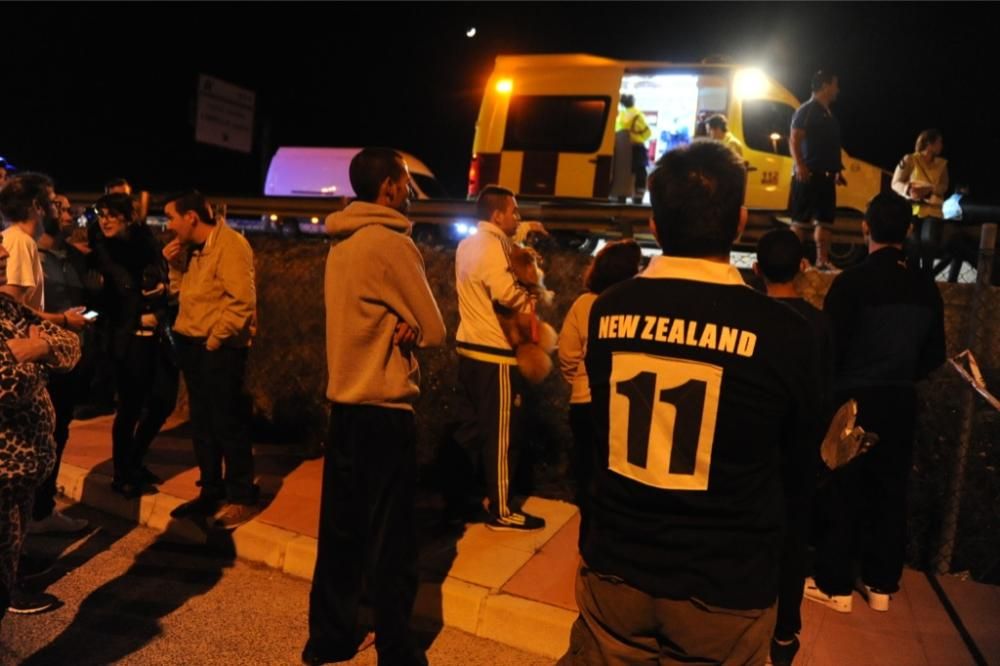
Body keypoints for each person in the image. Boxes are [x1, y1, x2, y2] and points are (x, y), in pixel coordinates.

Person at [560, 141, 818, 664]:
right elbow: (801, 463)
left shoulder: (608, 311)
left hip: (614, 567)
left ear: (655, 225)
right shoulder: (785, 331)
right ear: (741, 221)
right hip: (723, 589)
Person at [303, 148, 445, 666]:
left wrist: (396, 320)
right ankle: (396, 646)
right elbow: (433, 329)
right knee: (391, 537)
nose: (409, 189)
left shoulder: (341, 243)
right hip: (385, 408)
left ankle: (329, 639)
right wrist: (406, 325)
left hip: (342, 405)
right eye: (405, 180)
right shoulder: (392, 244)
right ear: (387, 186)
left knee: (339, 532)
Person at [807, 191, 945, 614]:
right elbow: (935, 353)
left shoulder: (852, 283)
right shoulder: (926, 288)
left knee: (843, 487)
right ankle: (882, 583)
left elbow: (831, 347)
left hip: (853, 398)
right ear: (907, 230)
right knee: (890, 490)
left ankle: (835, 585)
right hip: (901, 398)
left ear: (865, 228)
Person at [753, 228, 833, 665]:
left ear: (756, 267)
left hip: (752, 448)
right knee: (793, 541)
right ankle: (784, 633)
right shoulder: (818, 324)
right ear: (803, 268)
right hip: (800, 452)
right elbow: (826, 391)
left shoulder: (746, 317)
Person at [162, 191, 259, 529]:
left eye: (172, 217)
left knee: (227, 423)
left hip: (219, 348)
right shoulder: (192, 251)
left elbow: (241, 303)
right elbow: (180, 294)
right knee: (202, 424)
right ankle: (210, 491)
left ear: (191, 217)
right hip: (193, 344)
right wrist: (174, 267)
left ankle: (241, 496)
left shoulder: (231, 245)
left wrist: (215, 341)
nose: (169, 225)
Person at [454, 185, 546, 532]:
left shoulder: (467, 244)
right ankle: (503, 510)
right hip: (496, 355)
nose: (517, 217)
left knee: (470, 431)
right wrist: (534, 299)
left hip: (469, 349)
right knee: (502, 437)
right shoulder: (494, 247)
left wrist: (522, 233)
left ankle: (462, 500)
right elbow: (507, 292)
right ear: (497, 216)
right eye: (514, 212)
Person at [0, 238, 81, 619]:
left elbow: (69, 343)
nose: (4, 254)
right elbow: (7, 384)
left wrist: (39, 350)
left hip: (20, 474)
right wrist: (42, 363)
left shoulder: (7, 305)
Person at [92, 193, 177, 498]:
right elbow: (123, 284)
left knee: (164, 400)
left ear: (127, 217)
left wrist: (163, 286)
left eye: (112, 215)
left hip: (157, 335)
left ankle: (135, 459)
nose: (105, 220)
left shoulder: (147, 239)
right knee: (129, 408)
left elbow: (161, 274)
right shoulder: (103, 248)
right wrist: (147, 296)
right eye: (101, 214)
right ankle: (122, 473)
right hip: (128, 340)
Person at [557, 239, 641, 545]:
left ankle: (589, 541)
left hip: (584, 400)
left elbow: (566, 354)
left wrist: (578, 380)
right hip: (626, 402)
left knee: (587, 473)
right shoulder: (636, 305)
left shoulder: (584, 304)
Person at [28, 193, 94, 535]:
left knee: (58, 434)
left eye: (71, 209)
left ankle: (43, 510)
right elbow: (21, 309)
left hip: (72, 359)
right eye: (62, 208)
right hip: (40, 360)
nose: (70, 214)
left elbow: (87, 304)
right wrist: (64, 322)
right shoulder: (29, 255)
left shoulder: (73, 257)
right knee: (35, 438)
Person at [789, 70, 846, 272]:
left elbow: (829, 146)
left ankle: (822, 261)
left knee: (825, 221)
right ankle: (792, 260)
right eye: (835, 84)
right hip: (808, 175)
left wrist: (838, 170)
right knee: (800, 222)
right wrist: (800, 166)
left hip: (827, 177)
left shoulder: (828, 114)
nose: (837, 89)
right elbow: (794, 139)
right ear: (825, 86)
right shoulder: (807, 110)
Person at [892, 129, 949, 274]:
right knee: (913, 244)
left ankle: (927, 276)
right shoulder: (910, 159)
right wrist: (909, 190)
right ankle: (913, 276)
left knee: (928, 241)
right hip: (912, 209)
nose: (941, 145)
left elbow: (944, 187)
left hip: (932, 210)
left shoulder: (942, 164)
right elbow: (895, 183)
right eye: (939, 142)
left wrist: (929, 189)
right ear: (929, 144)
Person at [615, 94, 652, 202]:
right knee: (641, 173)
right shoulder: (637, 114)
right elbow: (648, 133)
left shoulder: (620, 115)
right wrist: (640, 137)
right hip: (636, 147)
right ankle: (638, 198)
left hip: (622, 148)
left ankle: (621, 197)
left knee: (623, 172)